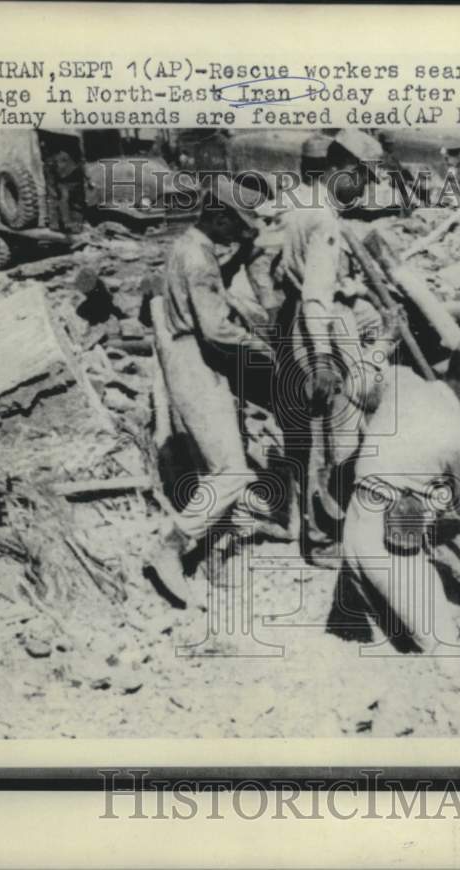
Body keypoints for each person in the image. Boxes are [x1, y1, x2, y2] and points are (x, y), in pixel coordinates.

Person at [334, 331, 460, 654]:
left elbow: (353, 383)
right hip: (390, 543)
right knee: (444, 652)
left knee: (385, 646)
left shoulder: (401, 383)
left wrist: (382, 343)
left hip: (355, 525)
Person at [151, 177, 282, 598]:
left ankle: (213, 556)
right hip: (194, 362)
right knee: (233, 472)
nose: (240, 234)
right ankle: (170, 544)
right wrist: (261, 347)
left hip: (189, 357)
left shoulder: (192, 247)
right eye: (237, 224)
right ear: (219, 215)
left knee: (218, 465)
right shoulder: (199, 259)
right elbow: (216, 330)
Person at [273, 130, 394, 559]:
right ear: (344, 169)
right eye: (362, 178)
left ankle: (315, 527)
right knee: (336, 439)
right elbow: (317, 293)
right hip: (319, 330)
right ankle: (325, 537)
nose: (363, 188)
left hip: (301, 327)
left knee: (315, 434)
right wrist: (324, 357)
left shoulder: (299, 200)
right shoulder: (322, 216)